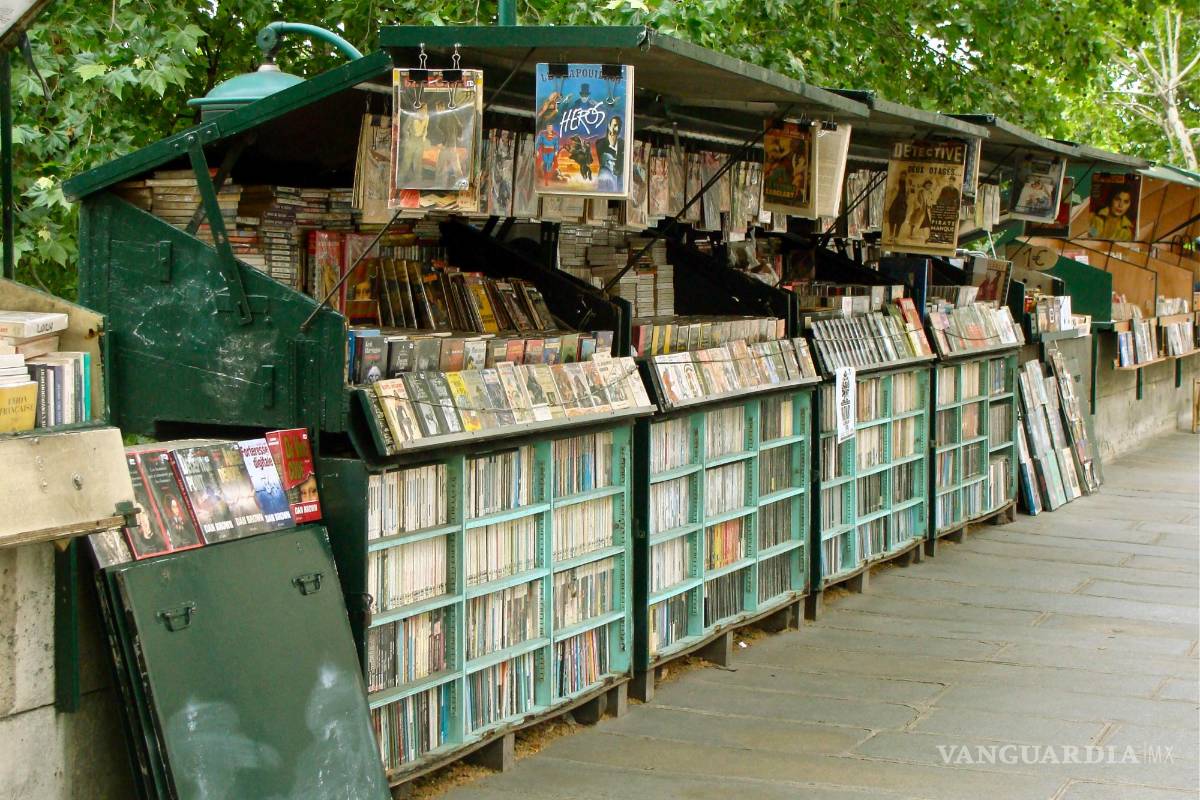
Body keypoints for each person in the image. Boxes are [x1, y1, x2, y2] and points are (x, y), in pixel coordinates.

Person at [595, 115, 624, 193]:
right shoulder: (600, 144)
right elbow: (602, 163)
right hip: (607, 179)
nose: (617, 129)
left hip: (620, 181)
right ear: (609, 125)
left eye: (619, 126)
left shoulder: (623, 143)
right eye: (615, 125)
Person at [886, 171, 909, 240]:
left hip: (902, 203)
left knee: (900, 220)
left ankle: (896, 236)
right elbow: (890, 192)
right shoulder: (895, 183)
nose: (903, 177)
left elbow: (908, 195)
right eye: (902, 175)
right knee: (892, 219)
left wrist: (906, 198)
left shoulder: (907, 185)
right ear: (900, 175)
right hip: (895, 202)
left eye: (904, 176)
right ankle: (890, 235)